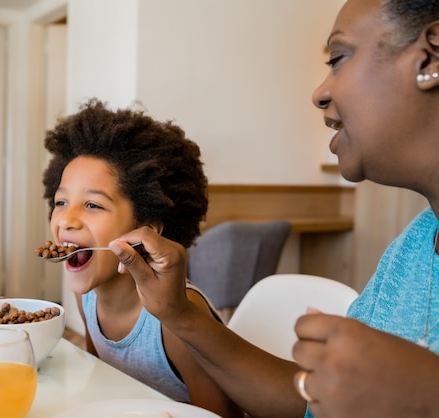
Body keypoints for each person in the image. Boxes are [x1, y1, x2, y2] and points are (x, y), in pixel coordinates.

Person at [108, 0, 439, 417]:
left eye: (337, 59)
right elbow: (313, 406)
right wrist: (178, 313)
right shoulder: (413, 247)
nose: (319, 92)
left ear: (431, 57)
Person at [41, 98, 242, 417]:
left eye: (93, 205)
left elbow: (219, 415)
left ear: (146, 231)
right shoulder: (87, 297)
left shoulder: (177, 317)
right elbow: (102, 379)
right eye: (61, 202)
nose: (65, 219)